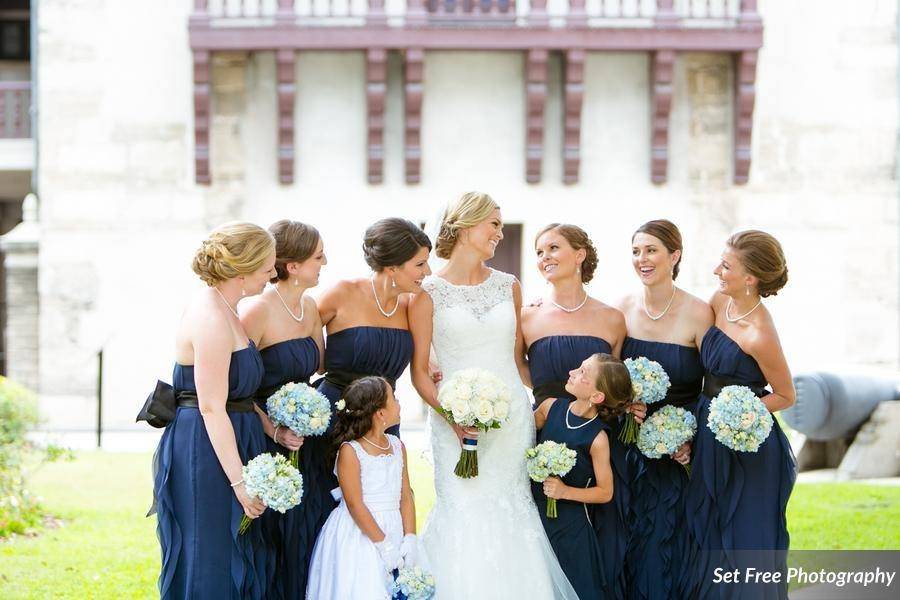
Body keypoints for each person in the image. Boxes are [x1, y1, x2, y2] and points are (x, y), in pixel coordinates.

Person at [409, 192, 578, 599]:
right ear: (466, 226)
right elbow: (418, 371)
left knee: (513, 509)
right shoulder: (426, 292)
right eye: (494, 225)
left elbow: (520, 358)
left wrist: (555, 396)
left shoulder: (510, 286)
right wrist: (451, 416)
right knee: (464, 509)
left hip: (511, 423)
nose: (500, 234)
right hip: (454, 427)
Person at [153, 222, 276, 599]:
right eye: (267, 266)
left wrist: (271, 431)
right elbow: (210, 406)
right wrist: (240, 483)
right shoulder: (210, 317)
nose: (273, 274)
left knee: (235, 551)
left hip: (232, 438)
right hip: (206, 449)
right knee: (211, 553)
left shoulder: (228, 309)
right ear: (243, 269)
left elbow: (239, 395)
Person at [684, 230, 796, 600]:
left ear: (750, 278)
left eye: (726, 265)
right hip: (708, 432)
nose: (717, 269)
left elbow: (785, 395)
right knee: (709, 529)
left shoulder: (759, 334)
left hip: (748, 445)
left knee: (746, 536)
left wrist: (741, 412)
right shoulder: (719, 301)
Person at [615, 219, 712, 600]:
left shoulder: (699, 313)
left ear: (675, 255)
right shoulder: (621, 309)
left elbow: (712, 383)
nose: (642, 259)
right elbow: (607, 376)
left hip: (680, 451)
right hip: (629, 445)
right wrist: (624, 407)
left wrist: (690, 439)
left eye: (651, 250)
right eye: (636, 251)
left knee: (673, 540)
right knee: (634, 538)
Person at [239, 219, 326, 599]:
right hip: (263, 439)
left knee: (304, 530)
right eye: (319, 256)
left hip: (303, 441)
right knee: (269, 535)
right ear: (293, 266)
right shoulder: (256, 311)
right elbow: (239, 388)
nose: (325, 262)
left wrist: (307, 416)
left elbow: (319, 368)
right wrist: (274, 429)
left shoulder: (310, 308)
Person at [306, 377, 424, 600]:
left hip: (394, 526)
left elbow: (406, 495)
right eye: (394, 399)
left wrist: (410, 537)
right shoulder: (351, 451)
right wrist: (384, 545)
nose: (399, 403)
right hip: (360, 533)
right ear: (380, 413)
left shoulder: (397, 446)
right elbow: (354, 504)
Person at [532, 353, 631, 600]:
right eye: (579, 367)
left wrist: (564, 491)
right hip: (534, 517)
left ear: (597, 396)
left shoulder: (597, 438)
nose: (572, 372)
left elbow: (605, 492)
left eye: (583, 372)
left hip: (570, 527)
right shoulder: (549, 408)